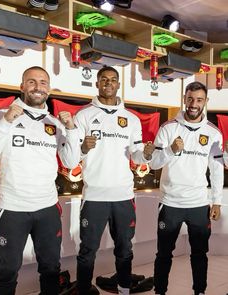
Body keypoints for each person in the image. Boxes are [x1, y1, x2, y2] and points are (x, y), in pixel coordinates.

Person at [0, 66, 80, 295]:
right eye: (31, 82)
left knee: (51, 269)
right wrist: (5, 123)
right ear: (22, 86)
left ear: (48, 88)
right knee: (7, 272)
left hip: (47, 209)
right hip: (12, 208)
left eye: (42, 82)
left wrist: (71, 130)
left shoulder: (55, 122)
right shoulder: (2, 116)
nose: (37, 87)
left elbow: (70, 163)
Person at [74, 66, 155, 295]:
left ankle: (124, 289)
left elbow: (136, 154)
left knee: (124, 248)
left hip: (123, 196)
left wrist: (146, 154)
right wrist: (82, 147)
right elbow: (72, 154)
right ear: (97, 83)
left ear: (119, 84)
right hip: (94, 196)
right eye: (104, 79)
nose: (108, 83)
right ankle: (83, 290)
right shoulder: (84, 116)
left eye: (113, 80)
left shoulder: (131, 119)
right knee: (88, 249)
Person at [150, 81, 224, 295]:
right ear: (184, 98)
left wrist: (216, 201)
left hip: (199, 204)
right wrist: (171, 151)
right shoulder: (168, 127)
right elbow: (154, 163)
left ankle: (199, 291)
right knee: (164, 254)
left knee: (199, 254)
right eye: (190, 99)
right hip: (170, 203)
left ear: (206, 102)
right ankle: (159, 292)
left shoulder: (213, 133)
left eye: (199, 100)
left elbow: (217, 169)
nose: (194, 104)